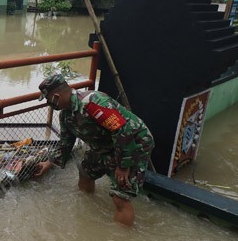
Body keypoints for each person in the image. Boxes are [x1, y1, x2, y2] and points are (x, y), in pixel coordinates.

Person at [34, 74, 154, 226]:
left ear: (56, 96)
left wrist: (123, 166)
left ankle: (122, 240)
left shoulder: (93, 102)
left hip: (134, 144)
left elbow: (123, 130)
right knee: (85, 172)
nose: (48, 104)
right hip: (105, 146)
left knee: (120, 197)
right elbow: (65, 142)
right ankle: (87, 214)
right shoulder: (66, 116)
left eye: (48, 99)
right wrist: (49, 163)